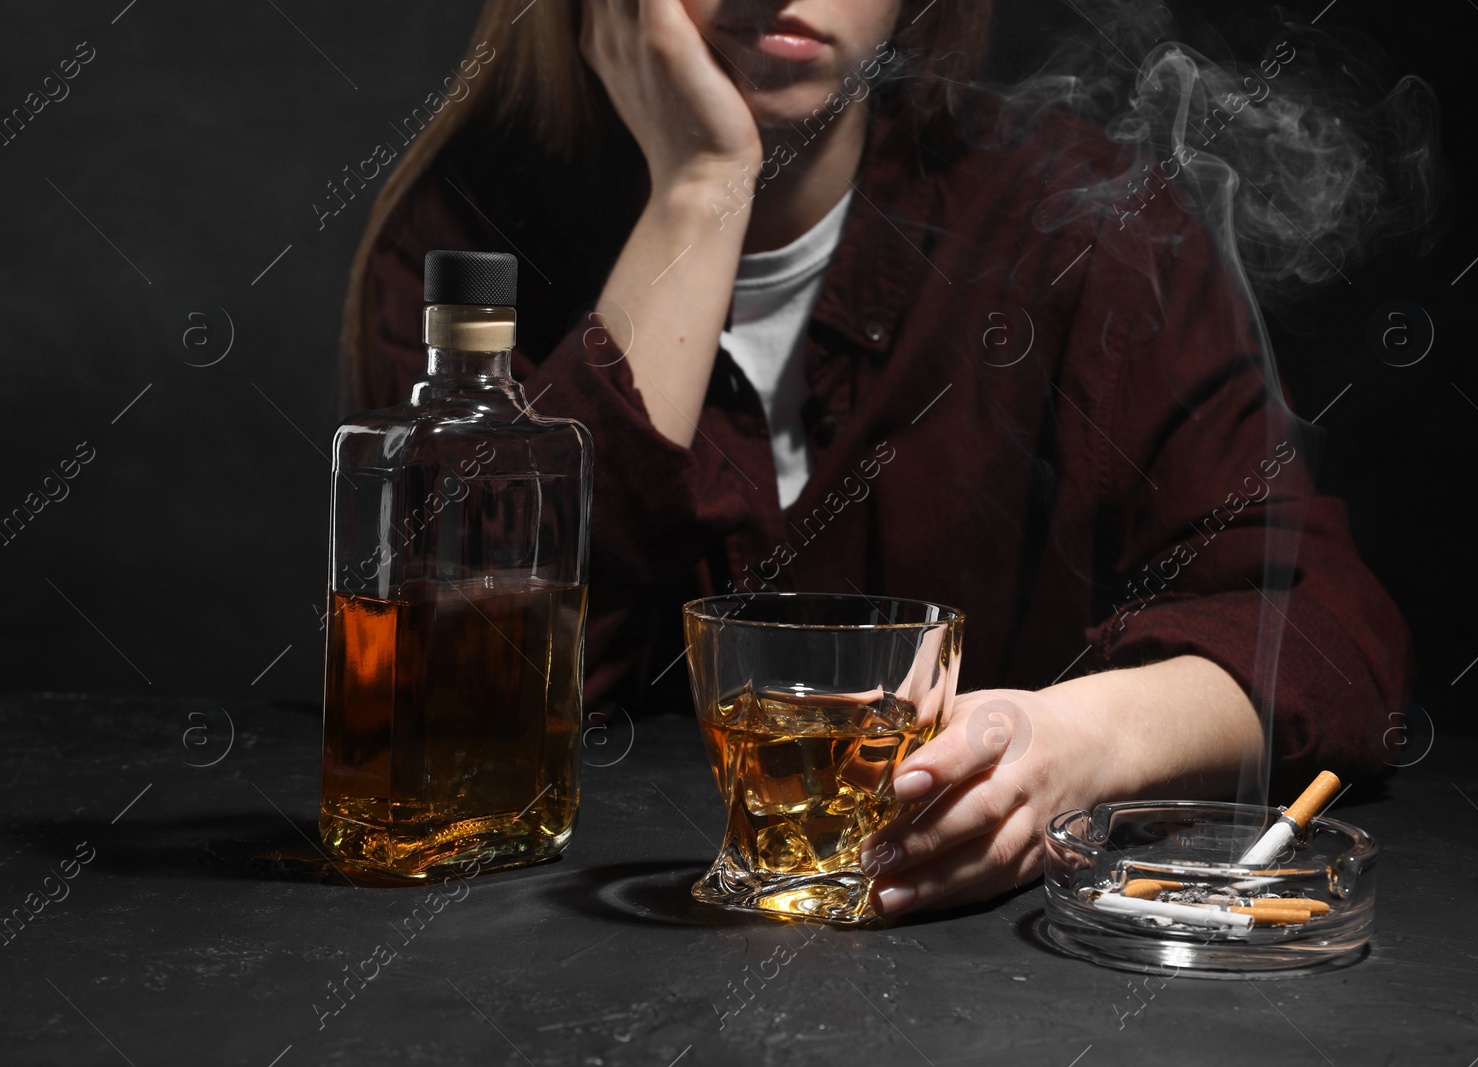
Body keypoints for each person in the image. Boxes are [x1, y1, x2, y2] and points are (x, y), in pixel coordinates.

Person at [340, 0, 1412, 917]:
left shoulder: (1082, 226)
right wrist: (700, 187)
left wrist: (1078, 742)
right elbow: (462, 691)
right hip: (543, 956)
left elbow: (1317, 623)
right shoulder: (466, 243)